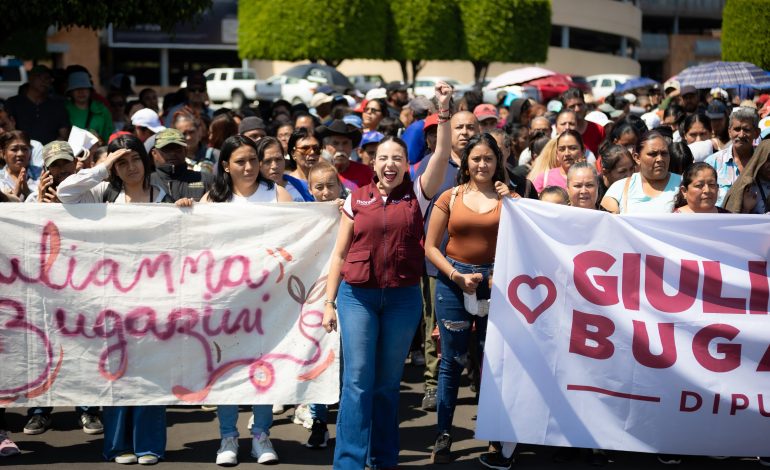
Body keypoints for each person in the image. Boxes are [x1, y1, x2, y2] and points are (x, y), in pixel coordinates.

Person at [321, 82, 454, 470]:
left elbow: (442, 154)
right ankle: (348, 462)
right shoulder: (355, 198)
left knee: (385, 385)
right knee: (358, 381)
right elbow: (340, 253)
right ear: (373, 161)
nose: (390, 163)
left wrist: (443, 110)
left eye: (397, 157)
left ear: (405, 162)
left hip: (401, 300)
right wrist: (328, 302)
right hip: (356, 297)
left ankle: (382, 459)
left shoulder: (418, 192)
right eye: (383, 158)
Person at [56, 136, 170, 464]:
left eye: (134, 158)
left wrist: (183, 211)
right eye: (122, 162)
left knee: (152, 372)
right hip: (111, 299)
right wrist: (104, 166)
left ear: (146, 160)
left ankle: (149, 444)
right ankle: (119, 445)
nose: (130, 167)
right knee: (116, 372)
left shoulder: (164, 196)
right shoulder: (103, 194)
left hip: (154, 298)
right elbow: (66, 192)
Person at [197, 136, 290, 466]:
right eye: (240, 161)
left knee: (263, 366)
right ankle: (228, 437)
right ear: (225, 165)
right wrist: (184, 212)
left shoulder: (276, 193)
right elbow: (194, 237)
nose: (249, 167)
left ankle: (261, 435)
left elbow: (300, 231)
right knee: (227, 367)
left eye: (253, 159)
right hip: (227, 300)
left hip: (267, 299)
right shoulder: (215, 199)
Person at [425, 132, 516, 464]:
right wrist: (455, 276)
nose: (482, 164)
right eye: (476, 158)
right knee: (452, 361)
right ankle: (444, 433)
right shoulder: (450, 196)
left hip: (497, 286)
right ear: (466, 162)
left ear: (498, 163)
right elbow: (431, 247)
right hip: (453, 284)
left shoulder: (512, 199)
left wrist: (513, 204)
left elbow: (524, 245)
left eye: (489, 159)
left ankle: (494, 435)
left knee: (492, 363)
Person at [601, 131, 683, 214]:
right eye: (653, 154)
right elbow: (608, 221)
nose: (660, 159)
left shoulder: (683, 184)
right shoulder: (618, 188)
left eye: (664, 153)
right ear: (637, 158)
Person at [704, 107, 760, 206]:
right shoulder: (713, 163)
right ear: (729, 132)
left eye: (746, 130)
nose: (741, 135)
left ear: (756, 133)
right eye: (737, 129)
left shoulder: (764, 162)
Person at [5, 65, 70, 144]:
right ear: (30, 78)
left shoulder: (57, 106)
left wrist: (51, 152)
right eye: (40, 77)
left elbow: (63, 135)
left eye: (48, 78)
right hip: (21, 152)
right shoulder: (13, 103)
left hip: (50, 154)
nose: (44, 81)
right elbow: (7, 130)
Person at [150, 128, 214, 201]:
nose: (173, 153)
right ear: (154, 153)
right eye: (166, 149)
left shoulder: (207, 180)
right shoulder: (145, 183)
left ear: (185, 151)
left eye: (177, 149)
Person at [318, 119, 372, 190]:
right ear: (325, 146)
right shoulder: (317, 172)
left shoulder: (365, 172)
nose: (341, 148)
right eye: (335, 143)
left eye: (345, 143)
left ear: (351, 146)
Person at [257, 136, 313, 201]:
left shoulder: (303, 187)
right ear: (257, 164)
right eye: (267, 161)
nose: (274, 166)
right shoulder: (251, 193)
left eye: (278, 159)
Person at [64, 71, 114, 144]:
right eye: (76, 89)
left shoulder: (102, 110)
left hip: (97, 153)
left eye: (84, 88)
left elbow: (109, 138)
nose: (81, 92)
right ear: (70, 92)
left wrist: (99, 140)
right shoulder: (64, 110)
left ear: (90, 90)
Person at [722, 139, 770, 214]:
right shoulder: (746, 188)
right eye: (768, 159)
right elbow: (733, 220)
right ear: (760, 159)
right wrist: (746, 209)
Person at [561, 88, 605, 155]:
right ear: (564, 109)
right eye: (572, 106)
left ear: (585, 105)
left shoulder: (598, 130)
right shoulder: (560, 131)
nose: (577, 109)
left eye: (580, 104)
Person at [0, 130, 38, 201]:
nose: (20, 154)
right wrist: (14, 196)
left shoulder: (41, 174)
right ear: (3, 153)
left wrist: (27, 193)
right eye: (14, 149)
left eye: (25, 149)